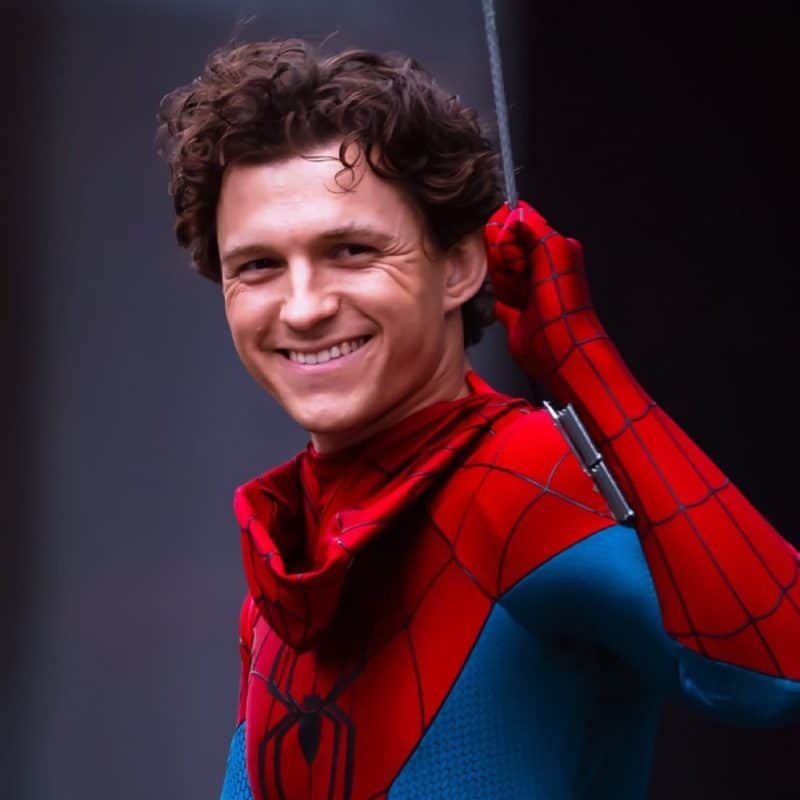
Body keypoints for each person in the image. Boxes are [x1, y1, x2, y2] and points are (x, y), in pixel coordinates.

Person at [156, 39, 800, 800]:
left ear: (460, 267)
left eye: (352, 250)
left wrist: (586, 363)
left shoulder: (513, 478)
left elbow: (773, 675)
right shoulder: (290, 551)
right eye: (259, 266)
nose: (303, 307)